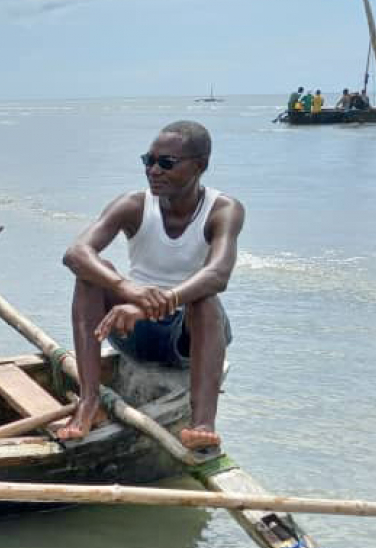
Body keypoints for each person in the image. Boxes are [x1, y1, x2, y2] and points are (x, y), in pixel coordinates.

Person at [54, 121, 245, 450]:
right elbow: (76, 253)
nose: (153, 170)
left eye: (166, 163)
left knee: (204, 298)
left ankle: (202, 424)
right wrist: (127, 289)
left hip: (185, 336)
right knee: (90, 275)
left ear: (199, 166)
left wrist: (153, 304)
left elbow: (218, 274)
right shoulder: (133, 204)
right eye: (148, 161)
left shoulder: (224, 210)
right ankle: (89, 401)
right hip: (132, 330)